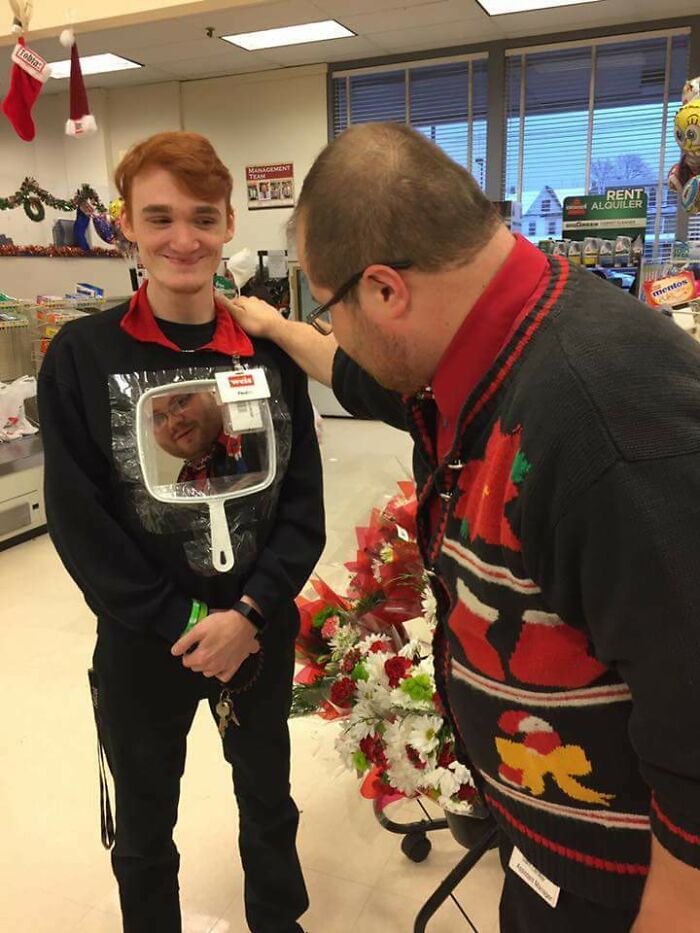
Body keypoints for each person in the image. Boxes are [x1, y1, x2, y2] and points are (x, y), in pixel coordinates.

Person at [223, 122, 700, 931]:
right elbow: (362, 374)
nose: (331, 327)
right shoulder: (491, 347)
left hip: (626, 891)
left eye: (326, 305)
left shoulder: (603, 411)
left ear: (384, 290)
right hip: (548, 845)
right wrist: (274, 329)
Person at [38, 131, 324, 933]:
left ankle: (278, 918)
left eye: (203, 217)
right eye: (159, 218)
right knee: (145, 823)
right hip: (145, 640)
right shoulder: (83, 355)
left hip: (259, 628)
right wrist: (192, 623)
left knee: (268, 796)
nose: (183, 239)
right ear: (125, 223)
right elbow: (80, 520)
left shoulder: (270, 358)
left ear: (230, 221)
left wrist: (252, 612)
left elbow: (302, 503)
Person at [150, 389, 252, 484]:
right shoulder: (187, 478)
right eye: (157, 419)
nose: (174, 423)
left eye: (182, 402)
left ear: (212, 391)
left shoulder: (256, 442)